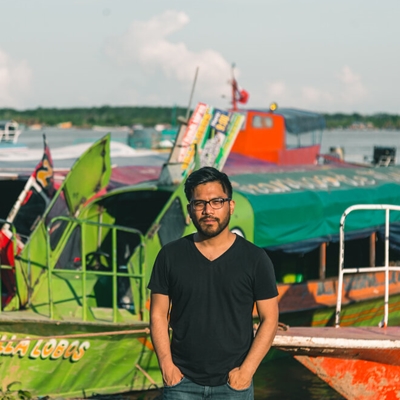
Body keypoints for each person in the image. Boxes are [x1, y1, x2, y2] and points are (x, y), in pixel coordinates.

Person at [148, 166, 279, 399]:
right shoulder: (170, 256)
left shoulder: (255, 259)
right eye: (199, 203)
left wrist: (246, 372)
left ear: (231, 205)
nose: (208, 210)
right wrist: (167, 367)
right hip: (181, 383)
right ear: (190, 210)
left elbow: (270, 319)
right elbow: (158, 314)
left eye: (217, 201)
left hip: (233, 385)